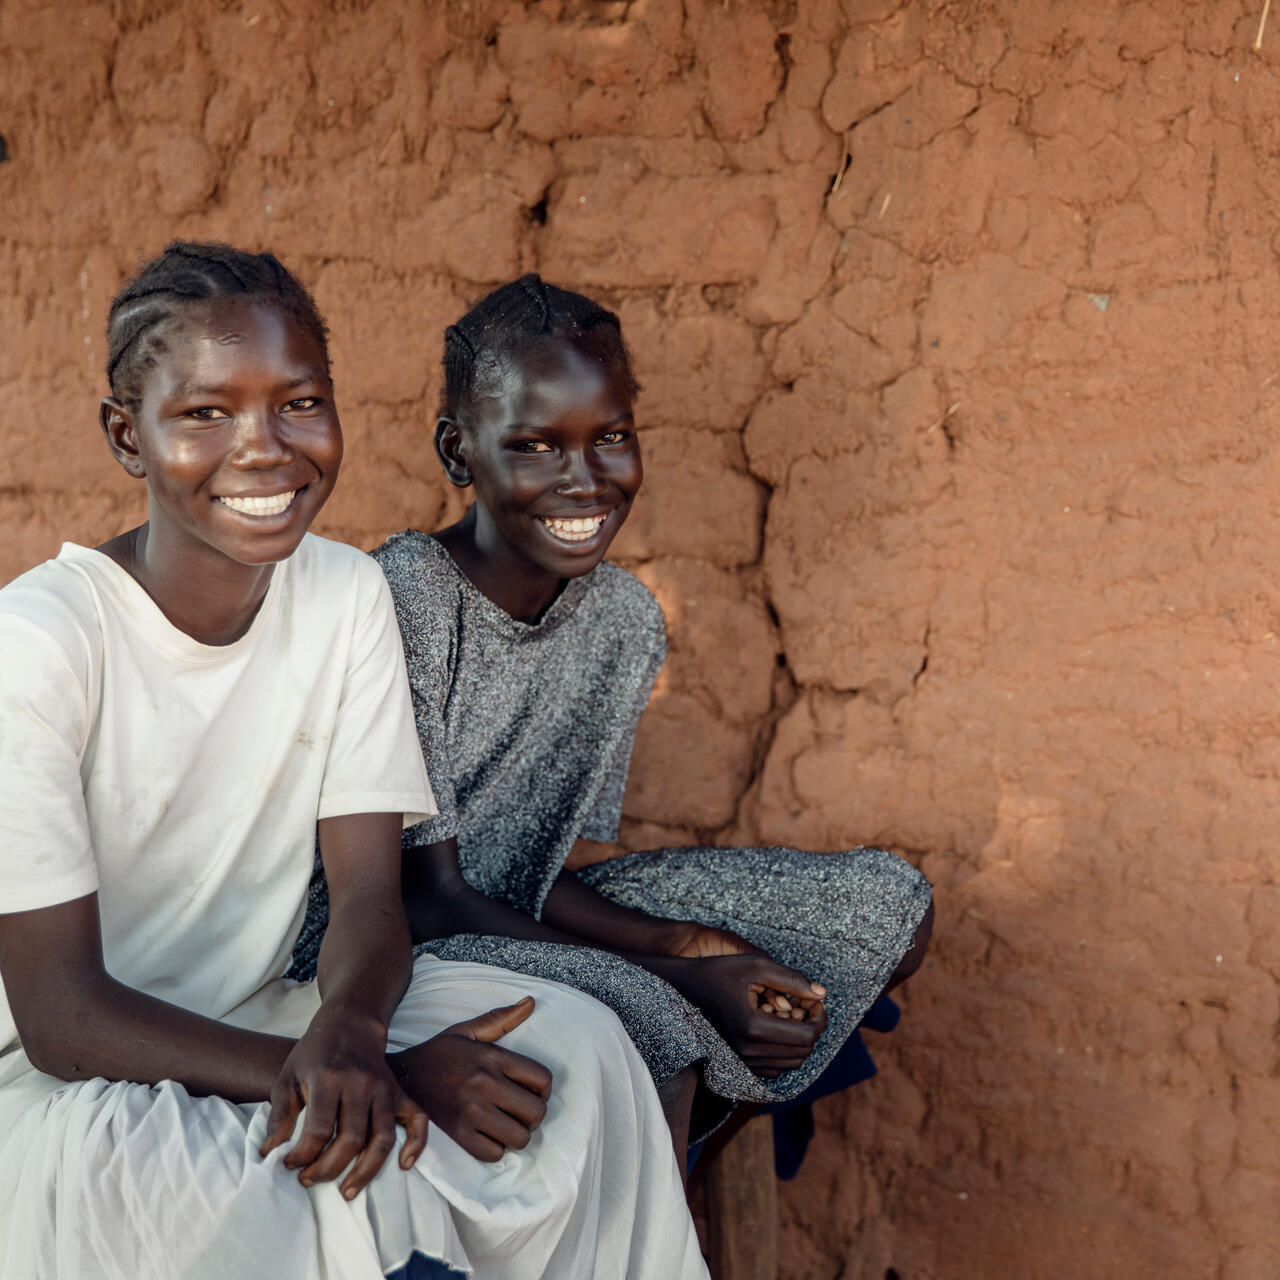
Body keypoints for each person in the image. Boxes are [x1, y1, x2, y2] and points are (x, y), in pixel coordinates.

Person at [0, 245, 706, 1280]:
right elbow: (61, 1017)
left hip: (271, 1011)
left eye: (299, 402)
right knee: (247, 1182)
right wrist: (370, 1069)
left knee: (582, 1046)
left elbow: (373, 894)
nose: (264, 448)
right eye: (204, 414)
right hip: (67, 1079)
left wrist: (351, 1028)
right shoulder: (42, 642)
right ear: (127, 435)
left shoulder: (339, 595)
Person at [290, 274, 934, 1154]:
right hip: (387, 939)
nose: (584, 480)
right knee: (657, 1023)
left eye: (612, 438)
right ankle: (643, 1218)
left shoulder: (625, 620)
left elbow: (540, 864)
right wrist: (674, 977)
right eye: (536, 446)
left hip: (518, 909)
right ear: (458, 452)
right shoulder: (409, 596)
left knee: (889, 908)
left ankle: (682, 1135)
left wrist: (691, 941)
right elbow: (425, 893)